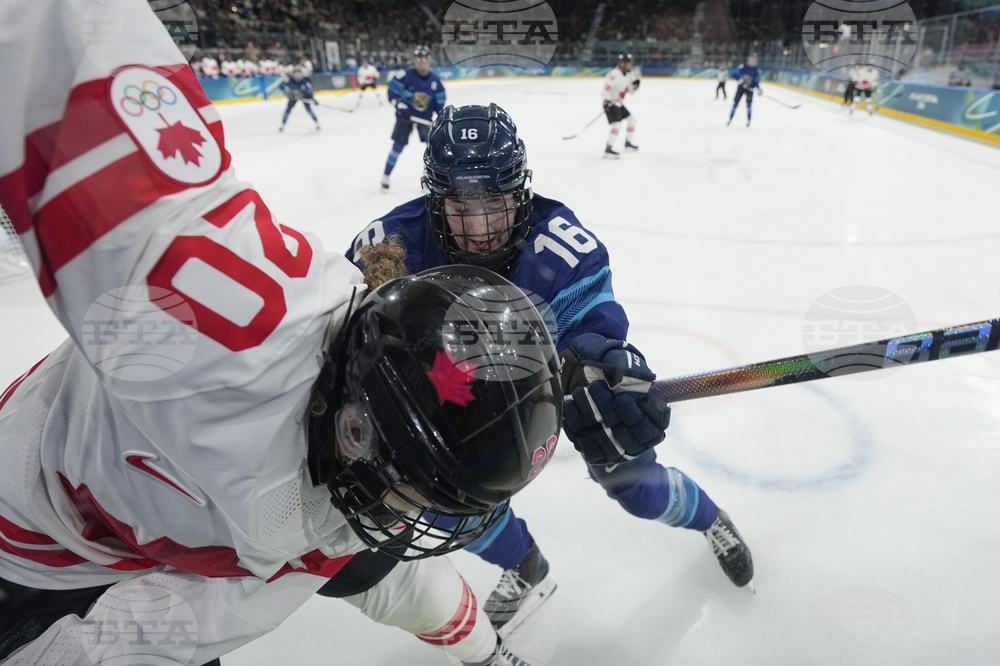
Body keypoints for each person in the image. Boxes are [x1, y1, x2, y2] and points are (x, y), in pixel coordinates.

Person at [0, 3, 563, 665]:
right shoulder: (186, 321)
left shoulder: (327, 491)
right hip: (34, 549)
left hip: (126, 528)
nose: (401, 517)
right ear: (357, 431)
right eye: (412, 489)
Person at [347, 103, 755, 638]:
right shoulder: (388, 247)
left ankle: (710, 519)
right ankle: (526, 566)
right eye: (460, 207)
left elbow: (595, 329)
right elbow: (351, 343)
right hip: (456, 398)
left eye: (495, 203)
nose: (481, 228)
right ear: (433, 199)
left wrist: (603, 363)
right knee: (448, 495)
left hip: (553, 387)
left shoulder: (561, 246)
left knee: (631, 481)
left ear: (520, 192)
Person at [381, 45, 446, 191]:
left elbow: (439, 102)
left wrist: (440, 115)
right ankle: (386, 176)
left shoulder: (435, 80)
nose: (422, 63)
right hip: (405, 117)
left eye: (425, 60)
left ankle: (430, 177)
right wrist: (397, 103)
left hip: (424, 118)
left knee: (431, 149)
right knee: (397, 147)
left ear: (429, 62)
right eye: (419, 60)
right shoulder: (405, 75)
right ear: (415, 62)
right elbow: (392, 92)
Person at [601, 53, 641, 158]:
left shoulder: (628, 76)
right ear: (623, 64)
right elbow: (604, 91)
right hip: (609, 104)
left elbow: (630, 92)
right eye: (629, 64)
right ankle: (608, 149)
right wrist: (609, 100)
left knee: (632, 120)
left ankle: (628, 144)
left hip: (618, 103)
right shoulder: (614, 74)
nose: (631, 66)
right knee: (617, 124)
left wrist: (636, 85)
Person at [279, 67, 320, 132]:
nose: (298, 75)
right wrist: (288, 92)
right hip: (293, 98)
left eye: (299, 73)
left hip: (304, 97)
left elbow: (309, 91)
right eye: (296, 74)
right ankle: (282, 125)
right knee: (288, 109)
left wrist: (313, 99)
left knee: (309, 109)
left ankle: (317, 123)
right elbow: (281, 86)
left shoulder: (304, 82)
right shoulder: (289, 80)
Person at [727, 53, 762, 127]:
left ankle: (749, 121)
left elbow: (757, 80)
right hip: (740, 88)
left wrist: (758, 88)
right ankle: (730, 119)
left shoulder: (757, 70)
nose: (752, 61)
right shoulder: (742, 67)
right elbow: (734, 73)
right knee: (735, 104)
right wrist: (740, 79)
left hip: (750, 90)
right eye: (750, 60)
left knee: (749, 105)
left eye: (753, 60)